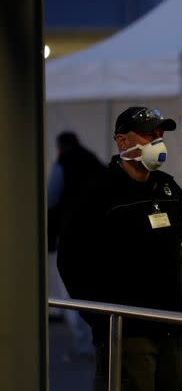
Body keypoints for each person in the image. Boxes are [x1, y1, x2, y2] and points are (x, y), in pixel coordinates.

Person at [57, 107, 182, 391]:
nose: (157, 143)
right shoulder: (97, 191)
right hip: (126, 331)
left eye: (160, 135)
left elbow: (172, 251)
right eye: (149, 135)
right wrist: (101, 320)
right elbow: (71, 261)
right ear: (123, 141)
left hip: (168, 328)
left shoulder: (169, 189)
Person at [48, 131, 105, 361]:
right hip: (99, 235)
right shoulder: (93, 161)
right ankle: (101, 341)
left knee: (72, 292)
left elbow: (51, 197)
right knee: (97, 290)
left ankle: (84, 346)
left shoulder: (63, 164)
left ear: (60, 147)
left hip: (71, 235)